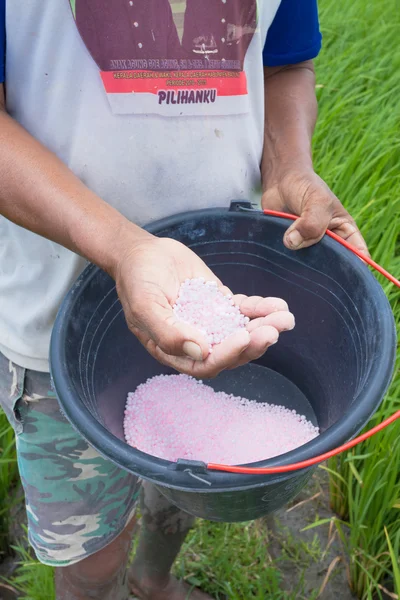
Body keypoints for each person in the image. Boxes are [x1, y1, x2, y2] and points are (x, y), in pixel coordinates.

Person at [0, 1, 368, 599]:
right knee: (90, 554)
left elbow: (285, 65)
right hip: (54, 311)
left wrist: (287, 164)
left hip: (212, 284)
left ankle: (152, 582)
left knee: (185, 482)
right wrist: (123, 248)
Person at [74, 0, 182, 71]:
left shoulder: (159, 3)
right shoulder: (88, 3)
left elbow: (176, 62)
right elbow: (89, 70)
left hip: (159, 102)